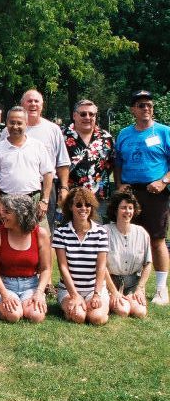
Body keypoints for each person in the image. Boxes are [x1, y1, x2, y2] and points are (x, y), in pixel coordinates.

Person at [114, 90, 170, 305]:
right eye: (140, 105)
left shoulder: (164, 132)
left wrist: (164, 180)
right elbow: (118, 162)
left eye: (148, 104)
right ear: (133, 110)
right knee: (128, 238)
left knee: (156, 240)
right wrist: (119, 185)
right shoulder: (124, 134)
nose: (145, 108)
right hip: (130, 194)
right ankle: (129, 285)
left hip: (155, 192)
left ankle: (160, 288)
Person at [1, 89, 70, 229]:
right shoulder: (6, 131)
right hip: (14, 189)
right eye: (29, 101)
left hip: (44, 188)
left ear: (42, 105)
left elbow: (62, 163)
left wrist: (63, 187)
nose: (33, 104)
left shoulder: (53, 129)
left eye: (36, 101)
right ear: (22, 104)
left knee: (43, 231)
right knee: (14, 230)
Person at [0, 194, 51, 323]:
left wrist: (39, 293)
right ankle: (9, 308)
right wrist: (4, 295)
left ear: (21, 215)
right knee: (14, 315)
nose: (2, 215)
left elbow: (46, 269)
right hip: (4, 284)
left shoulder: (40, 234)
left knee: (36, 316)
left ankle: (21, 306)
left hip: (31, 284)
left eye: (7, 212)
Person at [53, 187, 109, 325]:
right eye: (78, 204)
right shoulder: (61, 232)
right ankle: (73, 308)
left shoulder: (101, 232)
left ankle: (96, 306)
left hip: (93, 289)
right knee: (79, 317)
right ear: (70, 207)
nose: (83, 208)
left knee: (97, 318)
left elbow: (101, 266)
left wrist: (96, 294)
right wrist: (74, 295)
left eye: (87, 204)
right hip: (68, 290)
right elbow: (62, 267)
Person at [0, 106, 54, 226]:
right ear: (6, 123)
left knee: (40, 238)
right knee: (5, 239)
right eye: (12, 122)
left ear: (26, 123)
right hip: (6, 201)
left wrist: (45, 200)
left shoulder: (38, 146)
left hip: (33, 200)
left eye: (19, 123)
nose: (15, 126)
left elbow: (48, 173)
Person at [103, 189, 151, 318]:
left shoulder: (142, 233)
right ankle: (112, 299)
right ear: (115, 210)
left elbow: (148, 264)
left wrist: (140, 288)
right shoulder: (105, 231)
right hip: (110, 283)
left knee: (140, 312)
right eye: (123, 208)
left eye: (130, 208)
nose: (128, 212)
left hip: (133, 284)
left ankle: (129, 298)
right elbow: (101, 266)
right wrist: (113, 291)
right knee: (123, 311)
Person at [63, 99, 114, 213]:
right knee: (68, 230)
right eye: (83, 114)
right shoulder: (62, 137)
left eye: (91, 114)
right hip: (70, 198)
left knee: (99, 230)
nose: (87, 117)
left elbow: (111, 164)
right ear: (74, 116)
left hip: (99, 198)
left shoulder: (106, 137)